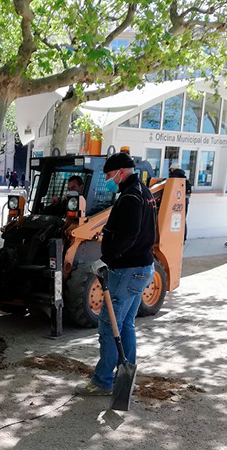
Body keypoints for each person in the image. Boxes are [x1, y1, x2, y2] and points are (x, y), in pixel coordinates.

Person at [77, 153, 157, 396]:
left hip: (128, 269)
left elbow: (130, 234)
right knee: (125, 325)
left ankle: (103, 382)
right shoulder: (143, 191)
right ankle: (126, 375)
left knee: (108, 324)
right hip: (141, 267)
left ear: (121, 172)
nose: (110, 179)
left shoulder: (131, 197)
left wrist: (106, 259)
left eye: (110, 175)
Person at [168, 165, 192, 241]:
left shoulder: (173, 177)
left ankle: (173, 237)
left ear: (172, 169)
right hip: (185, 201)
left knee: (173, 219)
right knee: (182, 219)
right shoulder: (185, 178)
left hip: (174, 201)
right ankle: (183, 237)